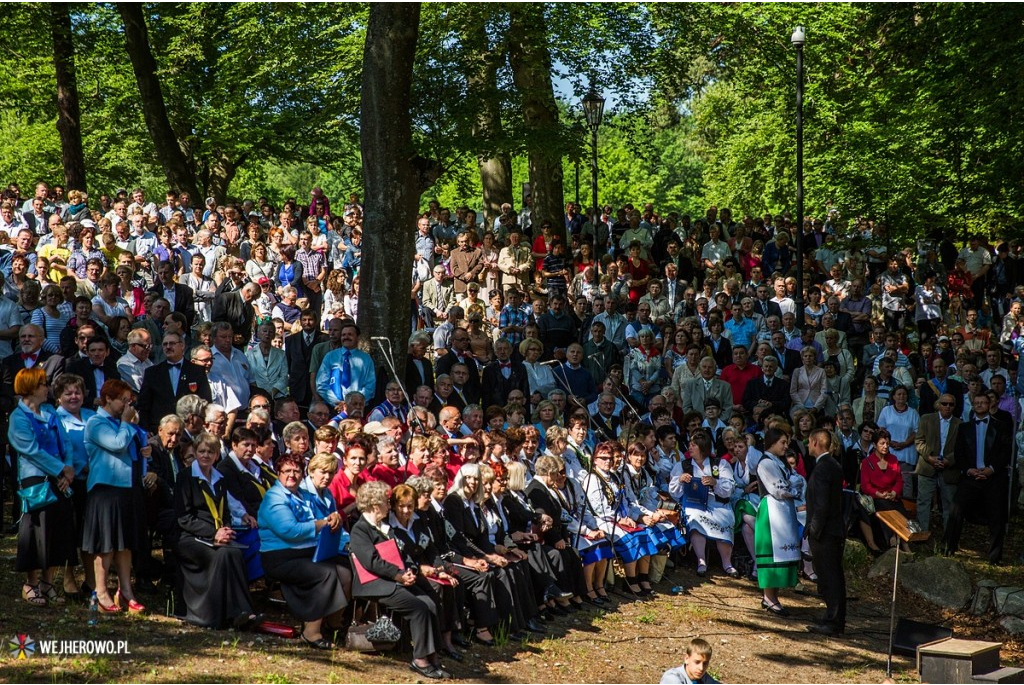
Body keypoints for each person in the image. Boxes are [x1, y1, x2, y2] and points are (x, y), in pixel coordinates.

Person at [350, 480, 450, 679]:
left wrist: (408, 572)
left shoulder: (381, 526)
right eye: (387, 502)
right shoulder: (361, 529)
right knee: (418, 608)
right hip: (376, 583)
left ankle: (433, 654)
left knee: (429, 603)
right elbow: (372, 562)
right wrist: (398, 574)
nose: (390, 506)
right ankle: (420, 659)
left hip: (394, 579)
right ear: (375, 504)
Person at [257, 453, 349, 649]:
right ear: (278, 473)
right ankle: (311, 632)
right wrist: (324, 522)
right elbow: (290, 531)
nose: (292, 475)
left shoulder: (305, 495)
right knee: (327, 573)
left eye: (296, 471)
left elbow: (324, 521)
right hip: (280, 557)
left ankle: (333, 625)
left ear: (303, 473)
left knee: (344, 571)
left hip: (306, 552)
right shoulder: (274, 498)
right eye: (287, 471)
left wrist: (333, 520)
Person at [172, 432, 257, 630]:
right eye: (201, 451)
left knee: (234, 552)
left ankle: (242, 613)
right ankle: (217, 614)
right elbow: (184, 517)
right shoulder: (185, 477)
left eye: (210, 452)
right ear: (195, 452)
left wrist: (225, 529)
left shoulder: (220, 478)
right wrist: (213, 533)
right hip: (190, 537)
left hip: (216, 535)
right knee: (225, 555)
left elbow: (225, 509)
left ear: (217, 455)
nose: (205, 455)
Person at [9, 367, 78, 607]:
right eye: (43, 384)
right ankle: (31, 583)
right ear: (30, 387)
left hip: (60, 478)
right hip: (36, 481)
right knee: (36, 532)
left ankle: (48, 582)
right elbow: (31, 451)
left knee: (57, 530)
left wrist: (68, 469)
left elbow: (66, 441)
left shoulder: (50, 412)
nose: (47, 388)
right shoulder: (18, 418)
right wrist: (60, 469)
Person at [82, 379, 147, 614]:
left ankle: (126, 590)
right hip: (105, 489)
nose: (127, 405)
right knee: (106, 543)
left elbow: (132, 447)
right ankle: (100, 591)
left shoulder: (122, 422)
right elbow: (117, 444)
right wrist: (127, 423)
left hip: (127, 487)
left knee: (125, 543)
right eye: (123, 400)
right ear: (109, 398)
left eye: (130, 401)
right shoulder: (96, 422)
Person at [943, 393, 1011, 564]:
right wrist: (969, 470)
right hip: (971, 477)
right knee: (956, 510)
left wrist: (991, 469)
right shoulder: (964, 427)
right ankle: (948, 549)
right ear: (973, 406)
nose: (980, 405)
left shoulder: (1001, 426)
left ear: (990, 405)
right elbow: (959, 452)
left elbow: (1006, 452)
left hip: (993, 478)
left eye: (983, 402)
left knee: (997, 516)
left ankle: (995, 558)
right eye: (977, 403)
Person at [669, 430, 737, 578]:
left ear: (703, 447)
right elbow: (674, 492)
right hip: (694, 504)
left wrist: (715, 482)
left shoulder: (719, 464)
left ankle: (727, 563)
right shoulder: (683, 465)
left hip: (717, 503)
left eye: (694, 445)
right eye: (690, 444)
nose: (690, 448)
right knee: (694, 516)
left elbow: (730, 488)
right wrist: (680, 479)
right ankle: (701, 561)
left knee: (725, 517)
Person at [754, 427, 801, 616]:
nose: (786, 446)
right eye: (782, 442)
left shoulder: (779, 462)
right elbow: (778, 488)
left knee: (783, 552)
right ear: (772, 442)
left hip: (783, 510)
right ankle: (768, 597)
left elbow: (794, 481)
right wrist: (793, 489)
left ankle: (774, 596)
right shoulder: (765, 463)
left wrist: (792, 486)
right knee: (773, 553)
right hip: (772, 510)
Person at [805, 428, 846, 636]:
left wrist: (814, 529)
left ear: (815, 442)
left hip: (825, 533)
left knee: (830, 577)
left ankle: (833, 621)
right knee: (833, 576)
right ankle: (833, 617)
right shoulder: (833, 465)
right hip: (832, 530)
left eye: (809, 442)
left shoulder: (823, 468)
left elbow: (821, 505)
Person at [914, 393, 961, 532]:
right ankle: (921, 533)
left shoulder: (960, 424)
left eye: (951, 404)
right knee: (923, 502)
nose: (947, 407)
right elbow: (919, 441)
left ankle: (948, 537)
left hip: (949, 469)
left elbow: (962, 448)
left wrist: (948, 461)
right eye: (944, 403)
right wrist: (929, 457)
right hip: (927, 466)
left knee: (949, 503)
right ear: (938, 405)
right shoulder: (926, 419)